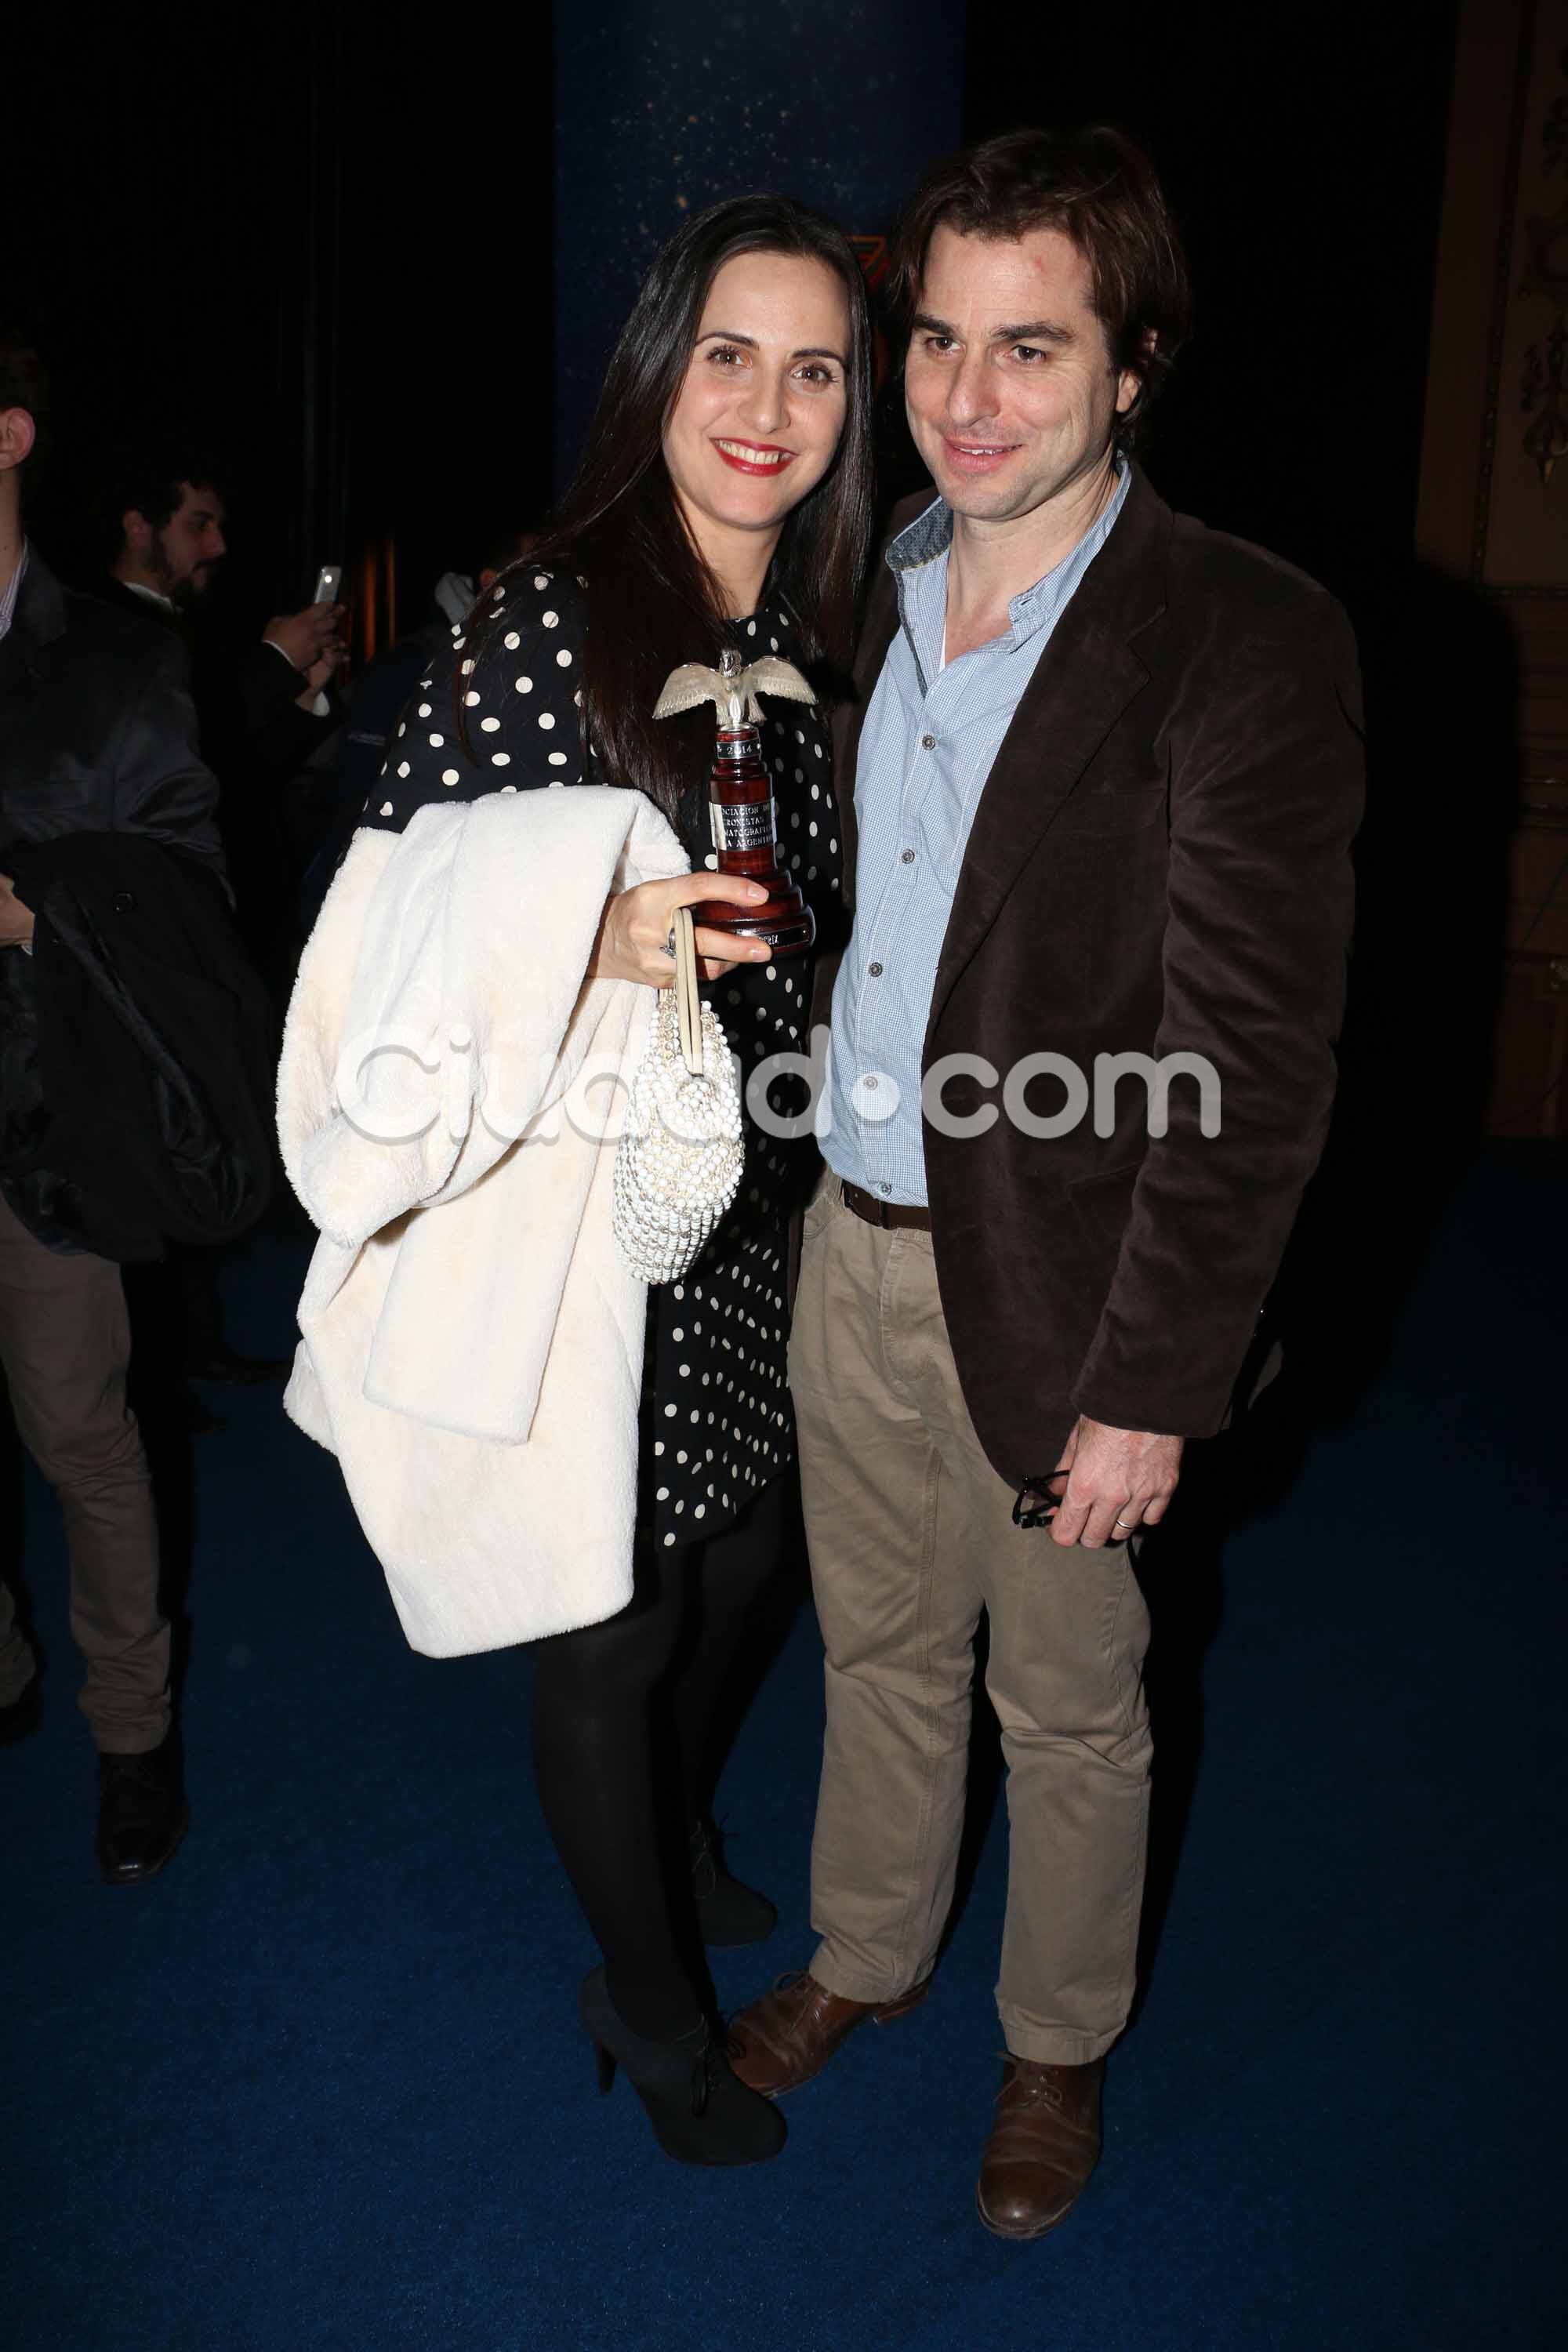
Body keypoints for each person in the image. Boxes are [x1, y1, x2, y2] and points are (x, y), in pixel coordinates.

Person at [726, 126, 1365, 2239]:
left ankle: (1057, 2038)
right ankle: (870, 1948)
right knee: (879, 1644)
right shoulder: (864, 576)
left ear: (1135, 365)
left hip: (1078, 1289)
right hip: (856, 1239)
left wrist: (1158, 1381)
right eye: (935, 341)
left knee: (1070, 1701)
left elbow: (1253, 1063)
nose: (964, 397)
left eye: (1030, 347)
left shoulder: (1241, 637)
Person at [312, 194, 874, 2166]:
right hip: (581, 1217)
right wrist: (600, 939)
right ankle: (642, 2007)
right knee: (610, 1622)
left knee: (741, 1567)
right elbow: (390, 933)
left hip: (748, 1197)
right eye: (730, 353)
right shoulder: (549, 619)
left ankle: (675, 1828)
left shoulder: (806, 629)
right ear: (658, 368)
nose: (768, 405)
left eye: (813, 367)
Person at [0, 332, 236, 1881]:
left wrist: (26, 911)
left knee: (79, 1430)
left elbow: (186, 906)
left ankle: (133, 1731)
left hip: (45, 1117)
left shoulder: (115, 661)